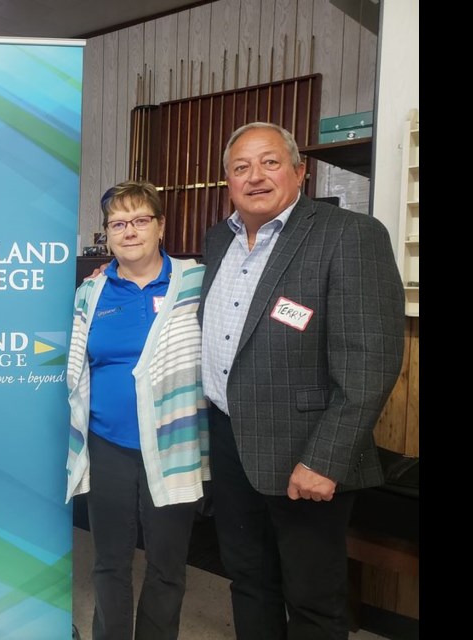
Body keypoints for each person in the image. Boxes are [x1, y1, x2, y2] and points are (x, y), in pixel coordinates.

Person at [199, 122, 404, 639]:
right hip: (230, 442)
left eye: (270, 162)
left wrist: (325, 460)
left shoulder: (349, 235)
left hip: (306, 454)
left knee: (313, 601)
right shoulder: (217, 241)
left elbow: (371, 362)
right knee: (247, 581)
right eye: (240, 167)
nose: (255, 176)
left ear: (299, 170)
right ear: (227, 181)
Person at [66, 181, 210, 640]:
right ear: (107, 234)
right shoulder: (91, 293)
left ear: (161, 226)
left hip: (174, 446)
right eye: (118, 223)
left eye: (140, 220)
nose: (129, 231)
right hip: (108, 445)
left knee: (167, 566)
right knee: (110, 563)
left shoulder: (195, 284)